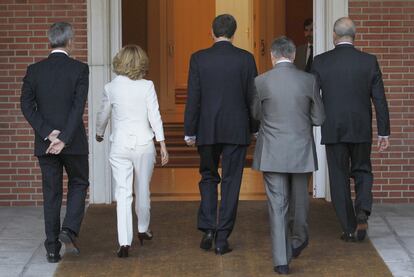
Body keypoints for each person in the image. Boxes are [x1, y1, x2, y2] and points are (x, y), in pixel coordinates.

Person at [184, 14, 258, 255]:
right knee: (231, 181)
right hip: (236, 129)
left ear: (211, 31)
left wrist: (189, 130)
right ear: (234, 33)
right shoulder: (246, 59)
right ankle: (222, 237)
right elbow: (252, 98)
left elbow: (193, 97)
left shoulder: (199, 59)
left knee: (207, 177)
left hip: (206, 128)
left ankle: (208, 227)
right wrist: (255, 127)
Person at [311, 17, 390, 242]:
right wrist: (384, 132)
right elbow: (380, 99)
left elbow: (313, 96)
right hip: (361, 127)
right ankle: (363, 209)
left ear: (334, 36)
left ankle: (348, 227)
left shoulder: (320, 62)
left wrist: (315, 120)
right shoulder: (369, 61)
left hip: (333, 128)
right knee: (363, 170)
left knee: (338, 177)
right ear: (353, 36)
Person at [251, 36, 325, 275]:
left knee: (277, 204)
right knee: (301, 199)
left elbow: (256, 114)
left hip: (272, 150)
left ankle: (281, 261)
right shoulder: (308, 80)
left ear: (272, 56)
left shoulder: (261, 81)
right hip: (301, 150)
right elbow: (319, 118)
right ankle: (299, 238)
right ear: (293, 55)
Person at [20, 22, 89, 263]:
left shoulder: (34, 70)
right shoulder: (80, 69)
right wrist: (64, 138)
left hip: (46, 144)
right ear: (70, 42)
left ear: (49, 41)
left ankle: (52, 249)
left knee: (51, 194)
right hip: (74, 142)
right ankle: (68, 230)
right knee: (79, 182)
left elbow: (26, 106)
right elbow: (78, 107)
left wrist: (49, 134)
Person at [95, 45, 169, 258]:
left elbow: (103, 114)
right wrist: (162, 142)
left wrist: (99, 133)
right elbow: (154, 115)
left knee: (123, 192)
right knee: (143, 188)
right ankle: (143, 229)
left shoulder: (111, 87)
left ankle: (124, 242)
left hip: (119, 145)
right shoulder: (147, 86)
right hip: (144, 144)